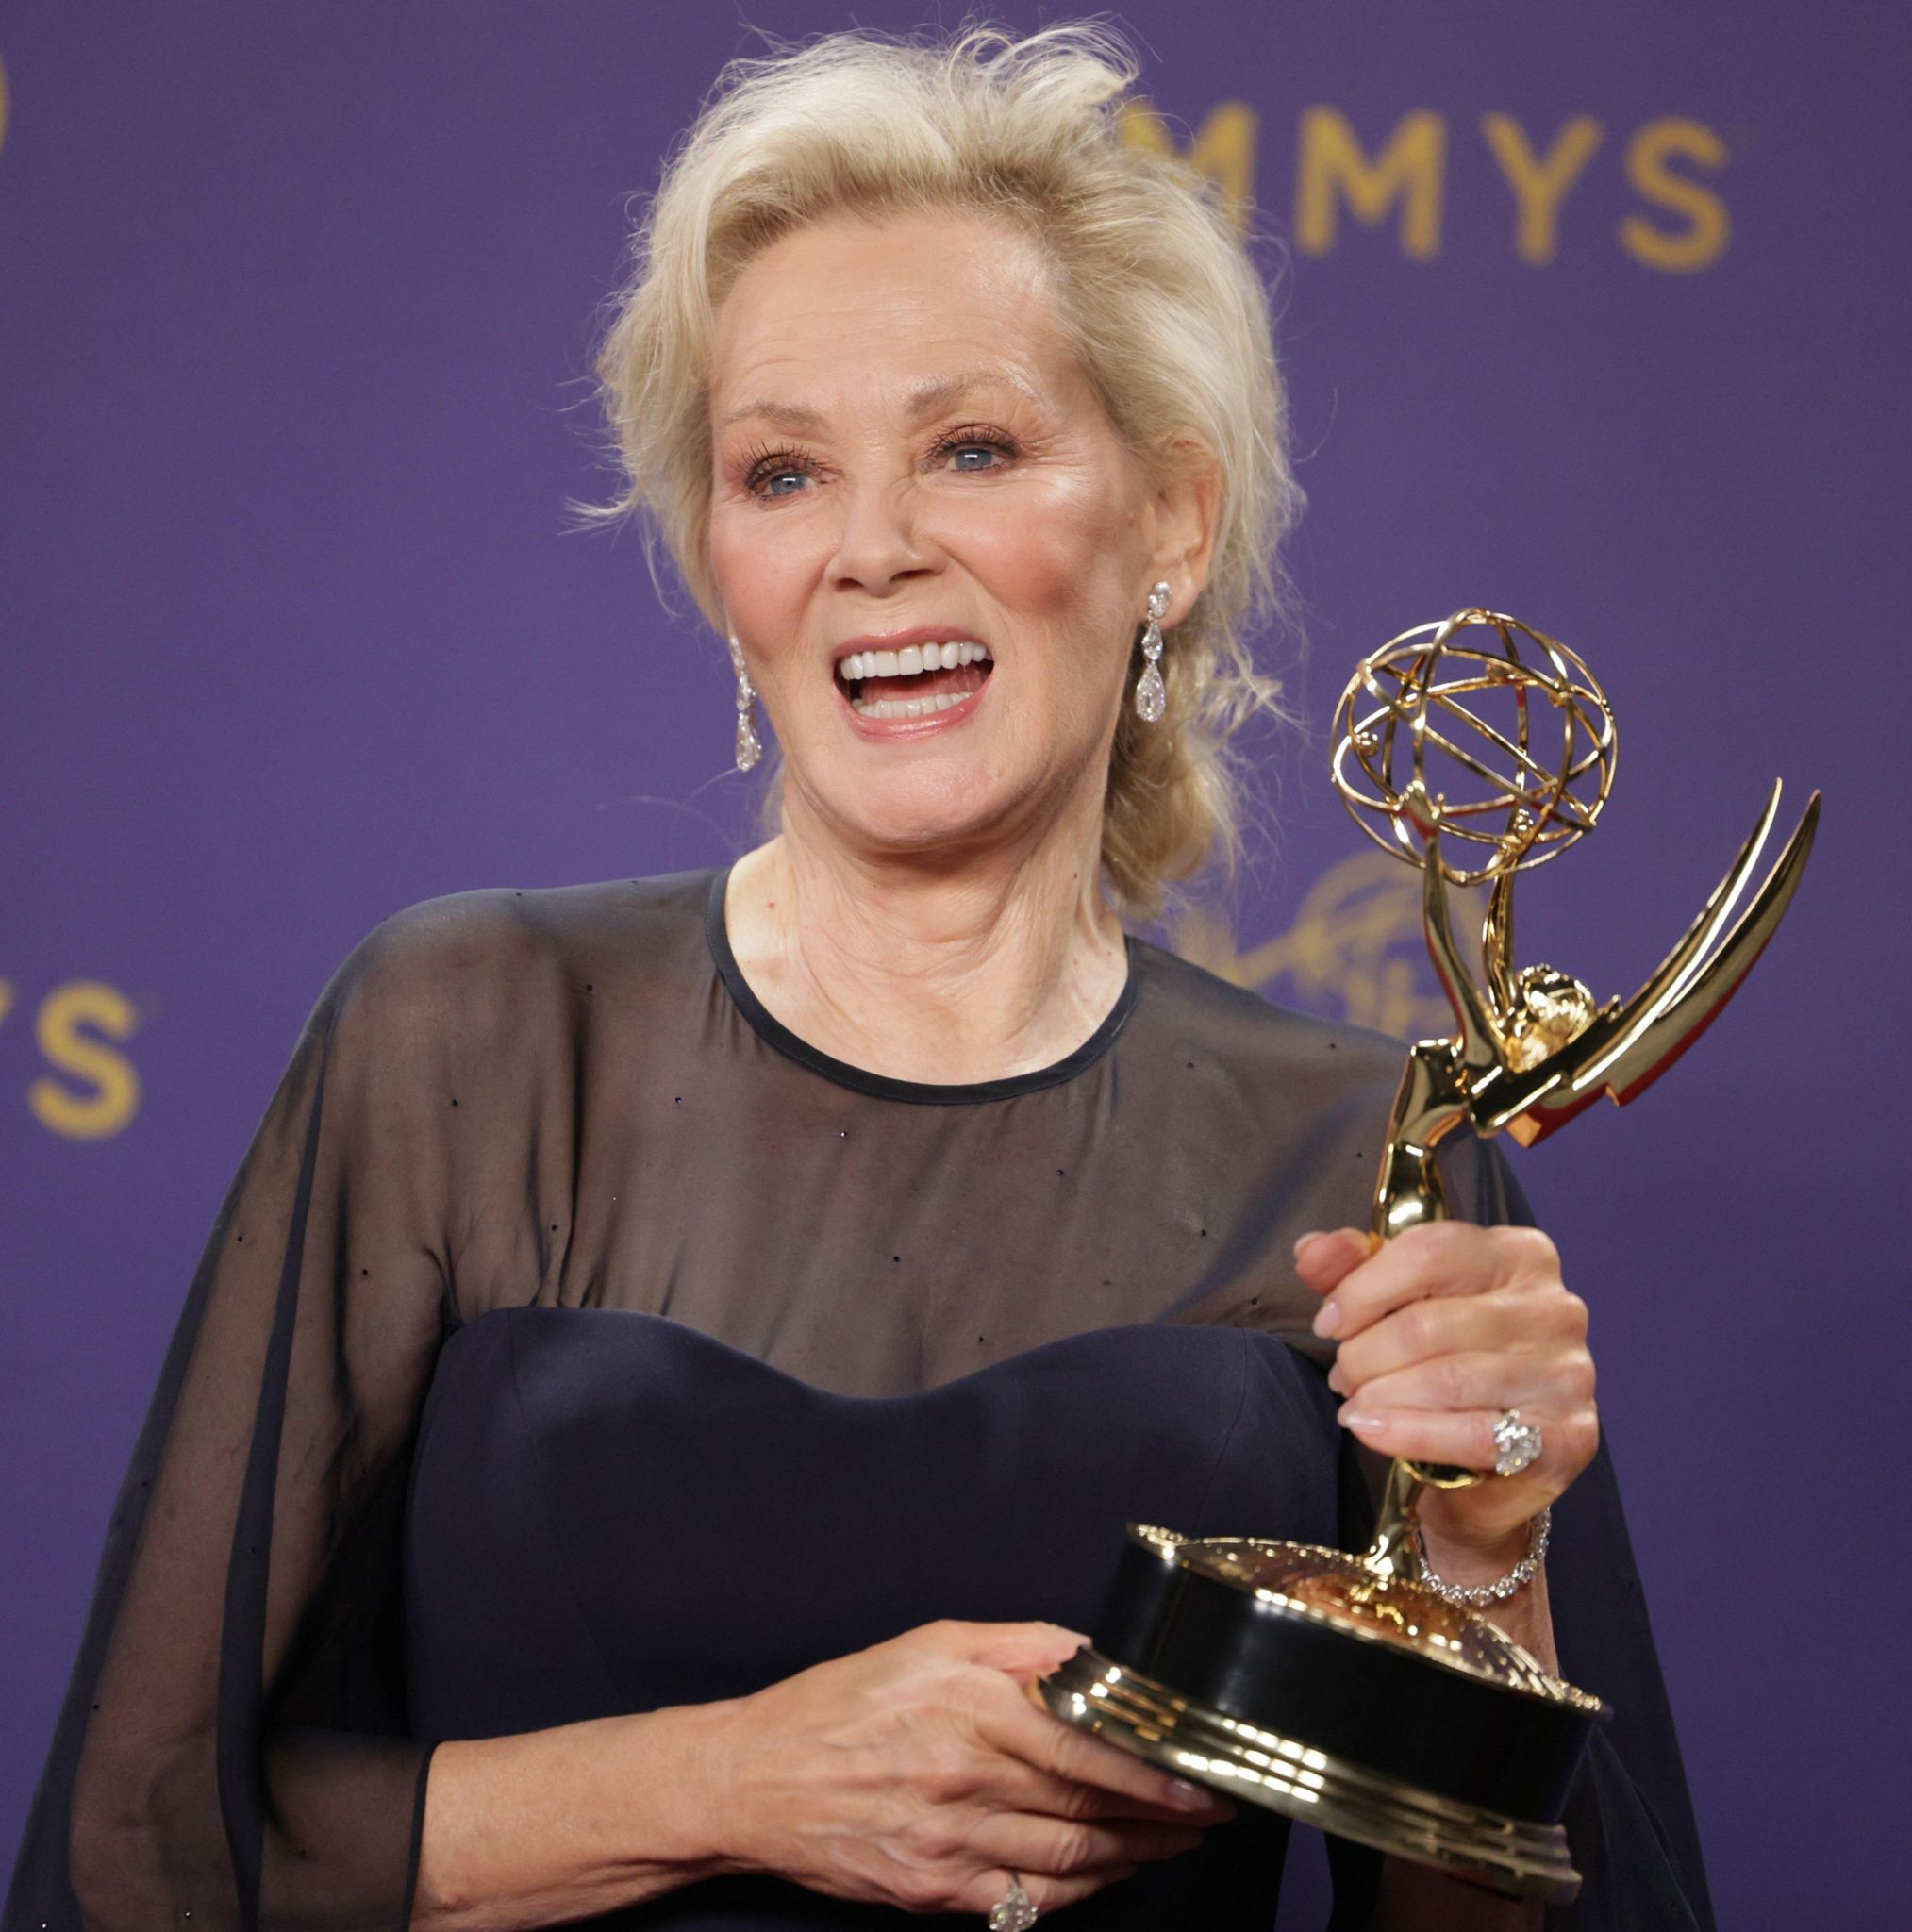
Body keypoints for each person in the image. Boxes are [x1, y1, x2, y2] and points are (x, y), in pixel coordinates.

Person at [4, 22, 1712, 1932]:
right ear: (719, 556)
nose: (873, 550)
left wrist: (1483, 1552)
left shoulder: (1365, 1157)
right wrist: (743, 1777)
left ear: (1165, 520)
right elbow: (140, 1848)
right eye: (782, 472)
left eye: (969, 446)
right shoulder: (469, 1037)